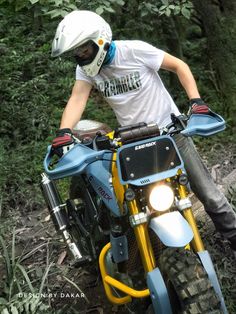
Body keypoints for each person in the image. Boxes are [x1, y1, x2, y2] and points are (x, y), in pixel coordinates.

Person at [50, 10, 236, 257]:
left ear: (100, 40)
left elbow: (179, 66)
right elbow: (77, 98)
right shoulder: (86, 70)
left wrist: (196, 101)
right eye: (76, 52)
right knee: (142, 206)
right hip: (130, 142)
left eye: (84, 49)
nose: (80, 56)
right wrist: (64, 132)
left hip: (170, 134)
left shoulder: (133, 50)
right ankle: (165, 257)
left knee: (210, 196)